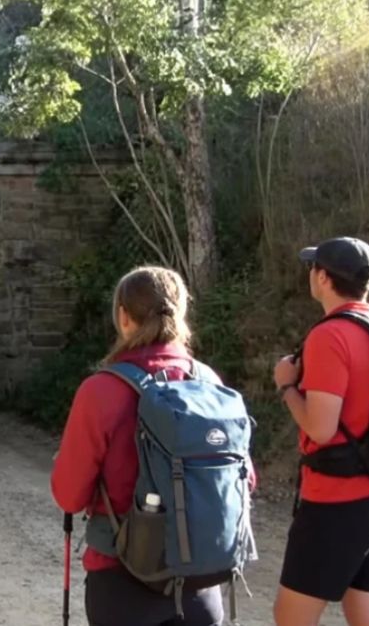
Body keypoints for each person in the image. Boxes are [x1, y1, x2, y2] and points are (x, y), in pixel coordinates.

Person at [51, 266, 225, 626]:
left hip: (122, 585)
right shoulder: (210, 384)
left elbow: (69, 496)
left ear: (123, 316)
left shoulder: (101, 391)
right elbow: (244, 479)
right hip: (200, 584)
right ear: (181, 313)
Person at [272, 237, 369, 626]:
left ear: (323, 278)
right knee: (367, 615)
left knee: (291, 618)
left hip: (337, 498)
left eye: (313, 268)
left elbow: (321, 428)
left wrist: (286, 386)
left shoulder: (330, 335)